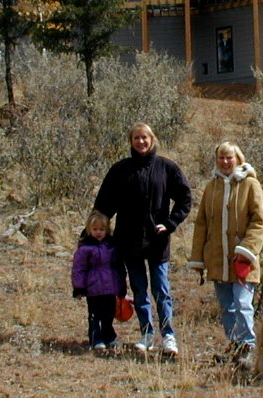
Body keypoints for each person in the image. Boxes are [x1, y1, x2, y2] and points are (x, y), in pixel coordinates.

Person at [93, 122, 192, 355]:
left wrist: (170, 223)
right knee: (139, 291)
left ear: (152, 139)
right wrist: (91, 235)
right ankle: (146, 334)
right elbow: (104, 205)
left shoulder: (166, 168)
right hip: (129, 242)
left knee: (161, 290)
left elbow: (185, 198)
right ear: (131, 141)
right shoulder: (120, 170)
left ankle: (168, 336)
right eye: (136, 138)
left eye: (145, 137)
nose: (141, 142)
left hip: (158, 242)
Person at [188, 141, 263, 360]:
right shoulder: (211, 187)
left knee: (242, 304)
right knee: (227, 306)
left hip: (243, 262)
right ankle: (235, 347)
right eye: (221, 158)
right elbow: (201, 224)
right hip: (217, 260)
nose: (225, 162)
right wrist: (198, 258)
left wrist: (247, 249)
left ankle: (248, 347)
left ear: (238, 159)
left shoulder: (251, 185)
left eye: (229, 157)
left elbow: (260, 221)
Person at [71, 211, 127, 351]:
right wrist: (79, 287)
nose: (98, 232)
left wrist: (121, 286)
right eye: (95, 229)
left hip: (110, 288)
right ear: (89, 230)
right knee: (94, 315)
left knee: (109, 314)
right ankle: (96, 338)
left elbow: (119, 267)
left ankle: (109, 337)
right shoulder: (85, 249)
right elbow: (78, 269)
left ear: (107, 230)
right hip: (93, 289)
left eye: (101, 229)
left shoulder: (112, 247)